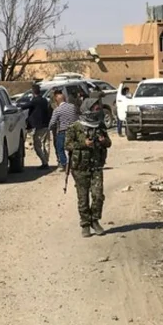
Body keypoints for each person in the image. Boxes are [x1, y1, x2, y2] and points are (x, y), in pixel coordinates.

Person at [65, 94, 112, 238]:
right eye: (94, 108)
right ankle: (85, 224)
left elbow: (108, 143)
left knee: (98, 196)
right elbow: (67, 145)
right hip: (80, 168)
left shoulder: (100, 125)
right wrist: (83, 144)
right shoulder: (75, 127)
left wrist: (103, 141)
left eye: (98, 108)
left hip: (96, 166)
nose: (96, 110)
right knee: (83, 198)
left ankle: (95, 221)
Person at [19, 84, 51, 169]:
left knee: (37, 145)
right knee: (46, 144)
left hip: (40, 126)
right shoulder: (44, 100)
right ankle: (46, 161)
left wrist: (16, 106)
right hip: (46, 124)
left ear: (33, 92)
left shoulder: (35, 101)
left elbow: (24, 106)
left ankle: (44, 163)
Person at [48, 89, 79, 172]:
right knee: (73, 148)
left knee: (60, 148)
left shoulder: (57, 110)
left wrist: (50, 128)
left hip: (63, 131)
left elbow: (52, 123)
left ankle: (65, 165)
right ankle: (74, 163)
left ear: (56, 100)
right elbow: (77, 117)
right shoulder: (72, 106)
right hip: (74, 130)